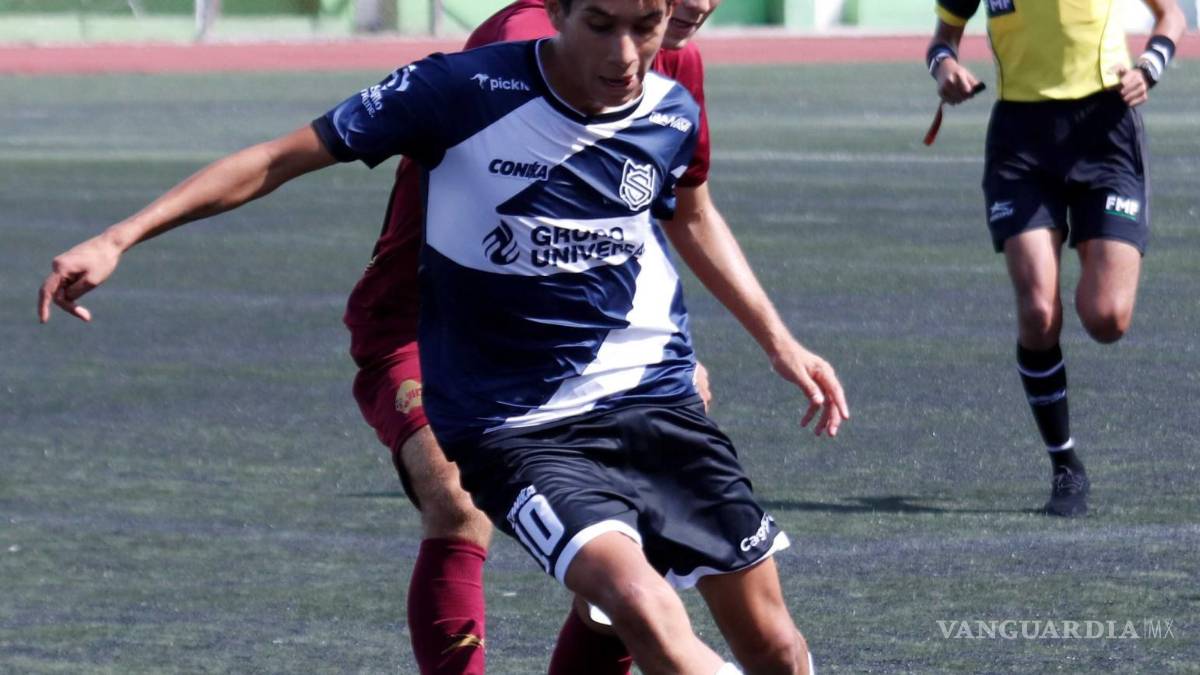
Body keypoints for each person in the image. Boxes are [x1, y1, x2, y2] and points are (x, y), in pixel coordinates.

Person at [39, 0, 847, 672]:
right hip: (486, 386)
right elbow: (280, 159)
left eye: (651, 24)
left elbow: (679, 212)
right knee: (563, 560)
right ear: (560, 11)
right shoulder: (478, 79)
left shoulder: (673, 89)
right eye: (603, 24)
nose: (628, 50)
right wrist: (120, 235)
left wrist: (769, 341)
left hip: (639, 388)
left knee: (756, 639)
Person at [345, 1, 730, 672]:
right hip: (431, 323)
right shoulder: (536, 40)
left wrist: (674, 353)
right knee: (455, 497)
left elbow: (649, 213)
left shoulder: (675, 58)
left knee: (631, 540)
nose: (701, 3)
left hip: (584, 340)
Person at [927, 0, 1185, 516]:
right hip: (1020, 141)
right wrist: (945, 69)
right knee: (1039, 312)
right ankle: (1064, 462)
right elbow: (942, 40)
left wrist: (1149, 67)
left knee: (1107, 318)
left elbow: (1172, 15)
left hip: (1106, 129)